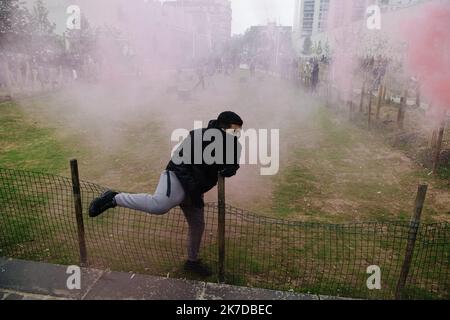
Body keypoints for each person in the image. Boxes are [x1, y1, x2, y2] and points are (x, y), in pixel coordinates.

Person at [89, 111, 243, 277]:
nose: (237, 135)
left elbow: (233, 165)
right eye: (234, 131)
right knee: (159, 205)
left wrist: (230, 170)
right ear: (222, 128)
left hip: (195, 190)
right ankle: (113, 198)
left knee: (198, 225)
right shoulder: (199, 137)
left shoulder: (232, 144)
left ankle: (192, 262)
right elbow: (180, 165)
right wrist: (193, 190)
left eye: (239, 132)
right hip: (176, 177)